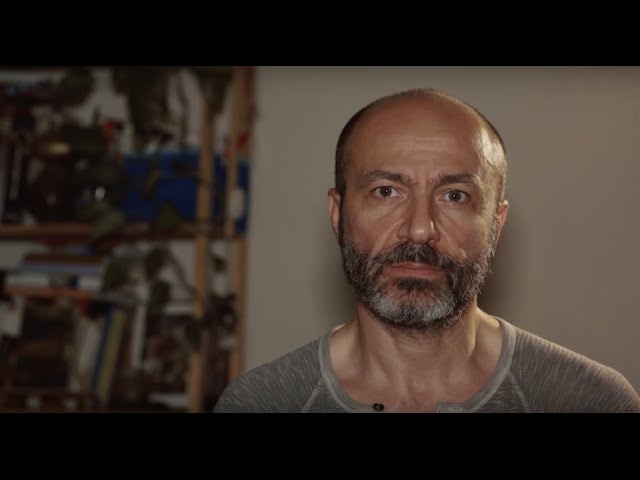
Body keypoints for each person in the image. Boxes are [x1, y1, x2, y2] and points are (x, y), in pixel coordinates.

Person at [214, 88, 640, 413]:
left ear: (496, 224)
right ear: (338, 215)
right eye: (386, 191)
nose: (419, 230)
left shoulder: (589, 400)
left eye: (454, 196)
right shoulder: (262, 403)